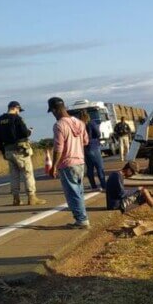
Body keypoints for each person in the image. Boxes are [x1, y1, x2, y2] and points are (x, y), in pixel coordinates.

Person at [48, 97, 90, 229]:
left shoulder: (59, 125)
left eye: (53, 112)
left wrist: (53, 166)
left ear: (55, 110)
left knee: (72, 193)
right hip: (80, 161)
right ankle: (82, 218)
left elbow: (58, 148)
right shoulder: (79, 123)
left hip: (67, 163)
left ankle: (81, 220)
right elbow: (85, 142)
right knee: (79, 191)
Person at [0, 101, 46, 206]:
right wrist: (29, 131)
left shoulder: (0, 119)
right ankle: (32, 197)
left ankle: (16, 199)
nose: (19, 112)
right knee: (27, 173)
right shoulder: (17, 118)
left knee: (14, 175)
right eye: (18, 110)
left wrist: (4, 151)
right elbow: (24, 133)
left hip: (8, 151)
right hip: (20, 151)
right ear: (15, 108)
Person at [80, 111, 107, 192]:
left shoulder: (80, 125)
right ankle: (103, 185)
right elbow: (98, 134)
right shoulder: (92, 123)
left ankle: (93, 185)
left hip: (85, 148)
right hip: (94, 145)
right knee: (99, 167)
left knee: (90, 168)